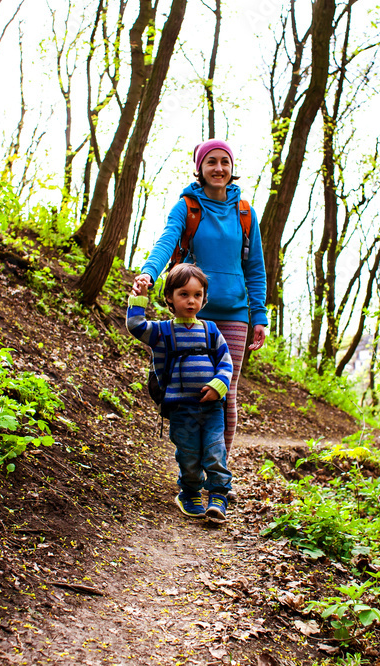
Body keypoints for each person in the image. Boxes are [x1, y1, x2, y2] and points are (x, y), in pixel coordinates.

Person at [133, 138, 267, 464]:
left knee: (226, 392)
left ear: (232, 167)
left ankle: (218, 472)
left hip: (235, 314)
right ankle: (193, 465)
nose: (218, 168)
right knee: (194, 390)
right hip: (192, 314)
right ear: (200, 168)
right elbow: (167, 239)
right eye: (211, 162)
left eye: (224, 161)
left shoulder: (245, 212)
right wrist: (149, 272)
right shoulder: (188, 207)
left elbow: (255, 268)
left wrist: (259, 315)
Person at [126, 263, 234, 522]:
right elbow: (136, 325)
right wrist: (139, 295)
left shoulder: (211, 330)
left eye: (197, 295)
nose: (191, 301)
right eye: (183, 294)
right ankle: (190, 493)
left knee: (215, 450)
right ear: (169, 298)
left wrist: (219, 386)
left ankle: (219, 497)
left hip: (211, 408)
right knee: (189, 455)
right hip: (180, 408)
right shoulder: (162, 332)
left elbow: (226, 362)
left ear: (204, 298)